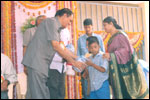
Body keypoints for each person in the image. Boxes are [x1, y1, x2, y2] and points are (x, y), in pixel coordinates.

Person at [22, 8, 86, 99]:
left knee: (34, 93)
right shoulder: (52, 22)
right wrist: (73, 62)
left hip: (39, 64)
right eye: (69, 21)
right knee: (40, 94)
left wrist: (77, 57)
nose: (69, 24)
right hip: (37, 63)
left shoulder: (56, 28)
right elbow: (56, 46)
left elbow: (62, 47)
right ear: (64, 15)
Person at [102, 16, 149, 99]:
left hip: (124, 70)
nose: (104, 28)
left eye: (105, 25)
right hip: (117, 70)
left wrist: (111, 55)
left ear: (111, 24)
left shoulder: (120, 36)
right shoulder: (112, 37)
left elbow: (126, 50)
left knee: (126, 93)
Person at [77, 18, 105, 99]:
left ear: (92, 26)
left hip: (97, 68)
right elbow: (78, 55)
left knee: (99, 90)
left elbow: (102, 52)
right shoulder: (80, 39)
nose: (87, 29)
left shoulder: (98, 38)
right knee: (87, 91)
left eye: (89, 27)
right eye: (85, 27)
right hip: (86, 69)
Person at [48, 25, 77, 99]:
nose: (69, 22)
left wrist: (72, 58)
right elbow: (57, 48)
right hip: (53, 66)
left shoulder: (67, 31)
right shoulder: (53, 30)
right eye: (68, 19)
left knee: (61, 91)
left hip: (63, 67)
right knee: (53, 91)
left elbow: (66, 46)